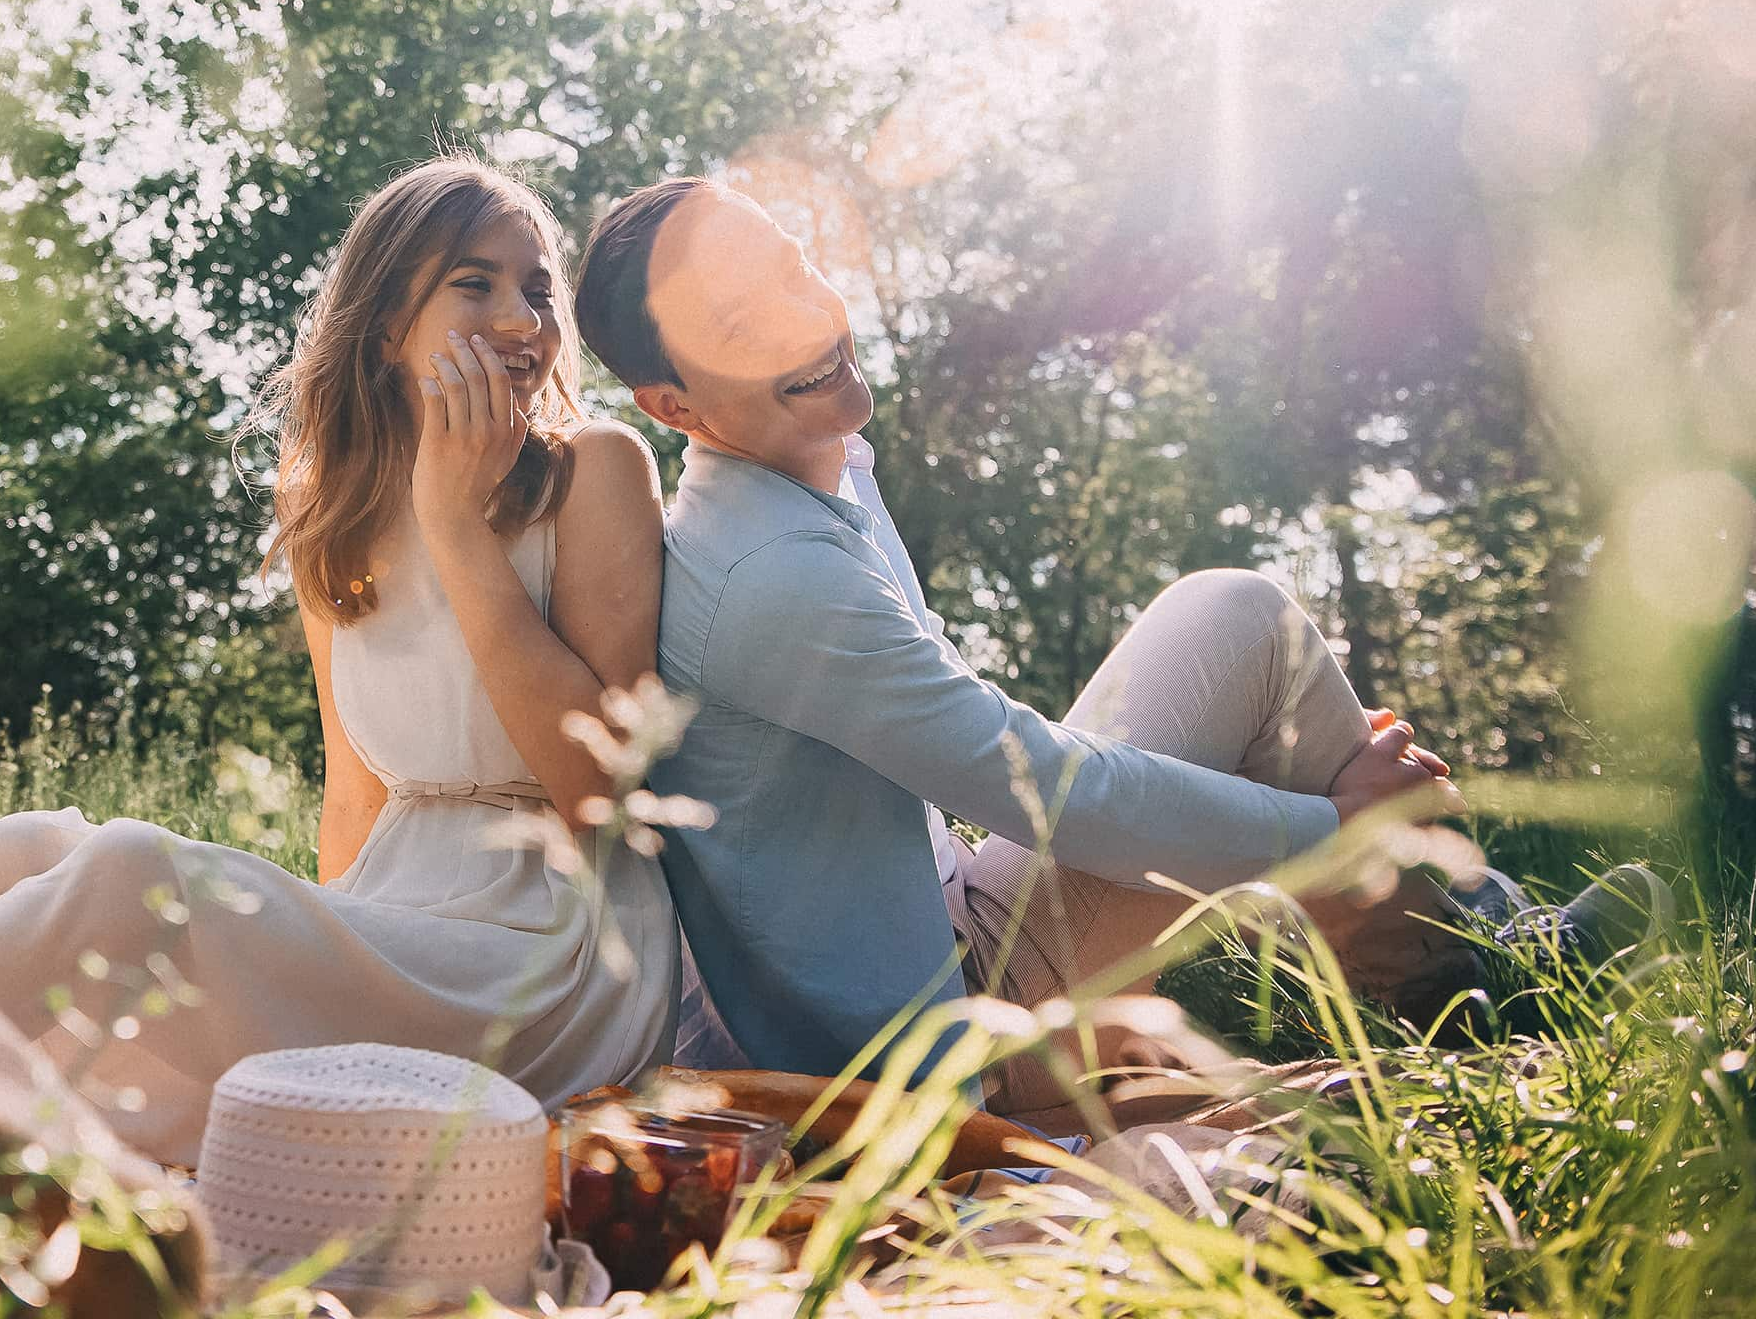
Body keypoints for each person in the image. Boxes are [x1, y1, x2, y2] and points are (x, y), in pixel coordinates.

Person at [570, 177, 1667, 1122]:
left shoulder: (816, 465)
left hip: (948, 921)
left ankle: (1470, 953)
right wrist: (1332, 828)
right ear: (672, 403)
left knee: (1241, 617)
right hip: (927, 1032)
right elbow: (1032, 784)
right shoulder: (766, 574)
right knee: (1254, 706)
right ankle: (1478, 978)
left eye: (792, 266)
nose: (801, 319)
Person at [0, 157, 678, 1167]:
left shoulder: (596, 467)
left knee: (133, 877)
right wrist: (289, 959)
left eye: (538, 287)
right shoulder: (330, 511)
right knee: (32, 848)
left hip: (548, 953)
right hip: (393, 915)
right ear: (386, 326)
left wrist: (457, 526)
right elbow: (354, 798)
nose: (523, 319)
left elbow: (596, 790)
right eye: (477, 283)